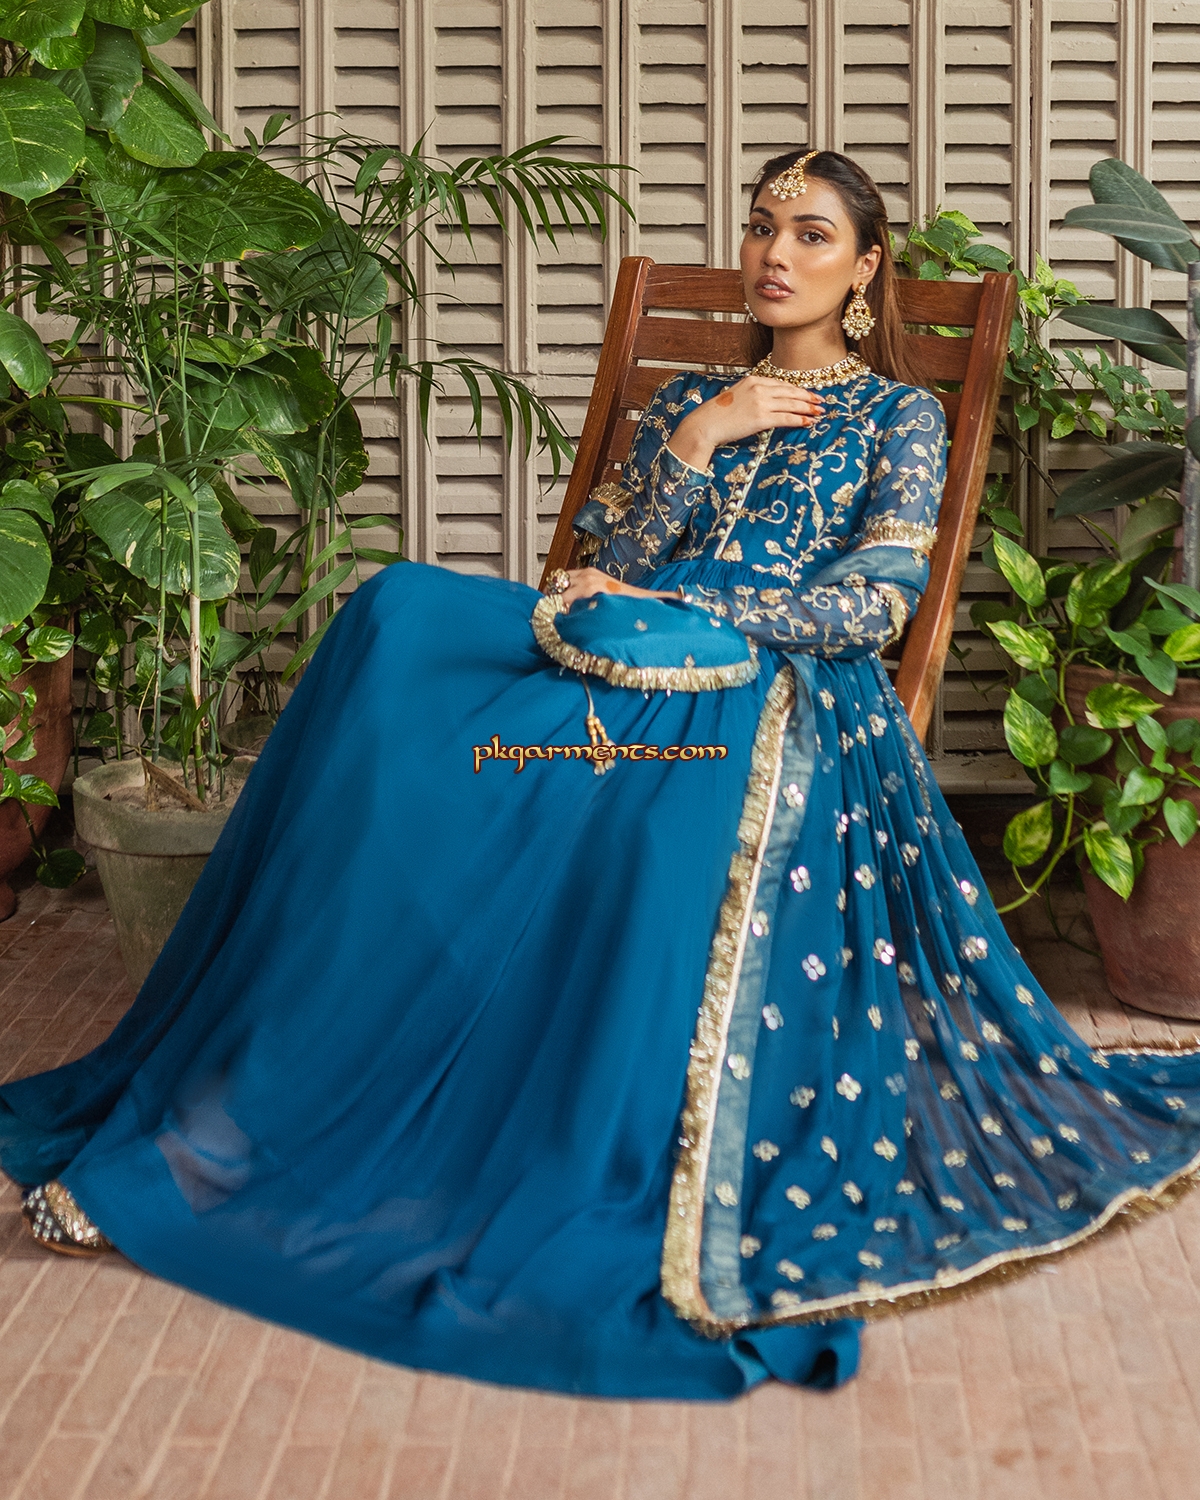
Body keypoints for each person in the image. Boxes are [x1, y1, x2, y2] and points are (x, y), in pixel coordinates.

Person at [4, 148, 1200, 1403]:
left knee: (556, 779)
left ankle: (305, 1123)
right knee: (397, 615)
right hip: (616, 642)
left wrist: (703, 611)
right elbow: (606, 560)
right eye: (762, 227)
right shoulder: (698, 394)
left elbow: (877, 603)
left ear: (865, 267)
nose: (775, 254)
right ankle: (260, 1090)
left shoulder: (896, 416)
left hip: (769, 677)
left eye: (810, 234)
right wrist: (699, 435)